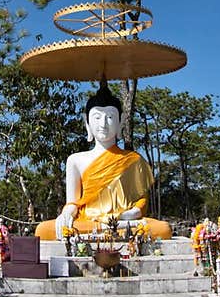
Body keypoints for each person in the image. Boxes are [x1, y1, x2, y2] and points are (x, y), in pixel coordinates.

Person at [35, 81, 172, 241]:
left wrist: (131, 214)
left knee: (163, 229)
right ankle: (106, 231)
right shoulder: (76, 160)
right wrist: (66, 214)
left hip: (124, 221)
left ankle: (105, 231)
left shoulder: (133, 160)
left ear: (120, 122)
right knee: (43, 230)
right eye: (97, 117)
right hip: (88, 221)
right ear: (87, 123)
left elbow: (141, 201)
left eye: (110, 117)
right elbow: (73, 203)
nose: (103, 123)